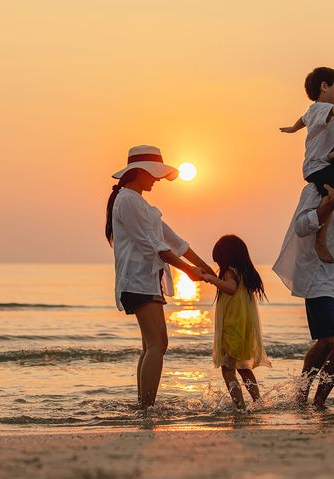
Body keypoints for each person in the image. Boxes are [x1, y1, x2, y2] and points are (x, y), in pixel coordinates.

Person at [106, 145, 214, 409]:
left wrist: (206, 267)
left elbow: (174, 241)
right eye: (153, 174)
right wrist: (189, 272)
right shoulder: (128, 200)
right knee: (158, 344)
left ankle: (144, 405)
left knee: (151, 346)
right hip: (137, 280)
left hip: (147, 280)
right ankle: (146, 407)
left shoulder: (141, 204)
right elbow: (153, 245)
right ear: (139, 172)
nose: (156, 179)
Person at [273, 137, 334, 408]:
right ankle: (300, 396)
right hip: (319, 276)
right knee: (328, 338)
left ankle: (319, 402)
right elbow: (301, 226)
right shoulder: (316, 190)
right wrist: (328, 204)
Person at [280, 66, 334, 263]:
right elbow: (333, 110)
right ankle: (320, 241)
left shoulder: (311, 111)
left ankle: (321, 240)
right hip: (320, 166)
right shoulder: (323, 109)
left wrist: (292, 129)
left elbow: (301, 120)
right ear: (324, 86)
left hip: (314, 167)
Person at [201, 235, 271, 410]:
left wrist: (211, 279)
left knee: (227, 369)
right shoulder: (246, 273)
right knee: (244, 368)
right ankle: (258, 402)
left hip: (233, 326)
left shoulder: (230, 272)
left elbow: (230, 289)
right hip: (245, 327)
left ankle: (240, 407)